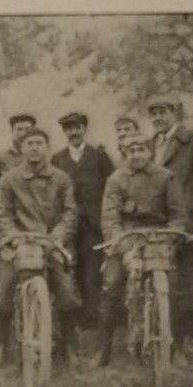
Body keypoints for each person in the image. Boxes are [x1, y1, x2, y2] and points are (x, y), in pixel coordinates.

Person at [0, 127, 80, 368]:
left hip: (52, 242)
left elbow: (70, 212)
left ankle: (70, 347)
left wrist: (57, 237)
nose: (35, 148)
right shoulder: (9, 178)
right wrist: (15, 238)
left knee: (67, 291)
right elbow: (2, 214)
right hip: (19, 243)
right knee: (4, 289)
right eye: (30, 143)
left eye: (40, 143)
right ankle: (0, 349)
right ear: (21, 148)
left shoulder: (61, 178)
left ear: (47, 148)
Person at [92, 135, 187, 367]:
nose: (136, 154)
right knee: (111, 285)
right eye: (131, 150)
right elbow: (110, 219)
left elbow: (178, 215)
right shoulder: (116, 179)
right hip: (127, 236)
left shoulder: (165, 177)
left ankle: (174, 347)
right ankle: (103, 349)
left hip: (159, 237)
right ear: (125, 154)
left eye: (141, 149)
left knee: (173, 286)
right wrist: (122, 248)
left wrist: (170, 239)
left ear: (150, 152)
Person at [147, 92, 193, 344]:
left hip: (188, 218)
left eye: (162, 112)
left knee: (189, 275)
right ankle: (168, 333)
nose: (157, 118)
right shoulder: (151, 145)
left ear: (174, 114)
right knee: (164, 274)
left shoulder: (192, 139)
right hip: (161, 220)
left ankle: (192, 334)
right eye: (153, 114)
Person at [52, 111, 113, 327]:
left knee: (92, 269)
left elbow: (111, 186)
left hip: (93, 223)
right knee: (70, 266)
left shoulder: (98, 156)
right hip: (69, 223)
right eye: (68, 129)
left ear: (84, 129)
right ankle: (72, 317)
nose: (73, 132)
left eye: (77, 128)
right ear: (64, 132)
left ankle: (91, 318)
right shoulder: (57, 159)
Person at [0, 112, 37, 207]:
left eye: (27, 129)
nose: (23, 133)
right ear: (12, 131)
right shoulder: (0, 157)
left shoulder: (40, 157)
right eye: (19, 129)